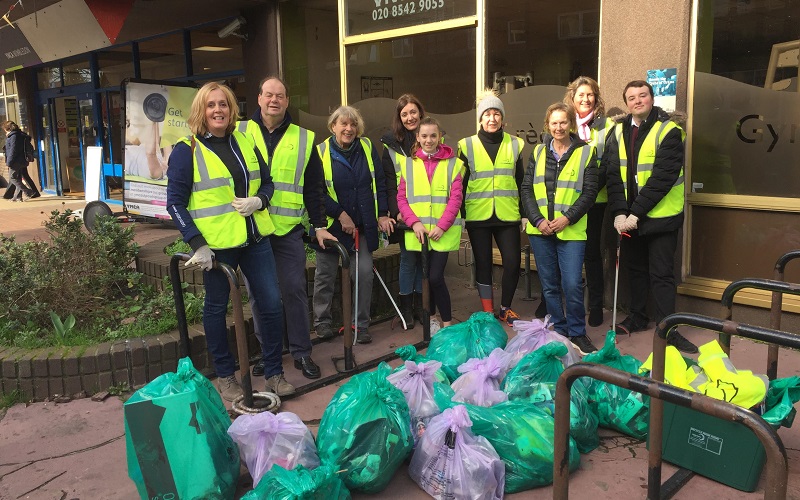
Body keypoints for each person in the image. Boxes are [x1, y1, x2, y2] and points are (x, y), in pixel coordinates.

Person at [166, 81, 291, 400]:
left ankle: (274, 373)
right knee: (217, 309)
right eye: (211, 105)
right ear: (200, 110)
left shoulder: (244, 140)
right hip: (218, 248)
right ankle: (226, 376)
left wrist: (259, 202)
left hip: (254, 240)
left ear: (231, 108)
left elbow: (268, 183)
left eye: (223, 104)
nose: (218, 110)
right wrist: (197, 244)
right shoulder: (186, 150)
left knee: (272, 305)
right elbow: (175, 203)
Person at [236, 76, 335, 381]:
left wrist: (319, 225)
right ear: (259, 98)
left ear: (287, 101)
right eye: (269, 95)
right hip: (252, 231)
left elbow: (314, 189)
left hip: (287, 231)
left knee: (293, 292)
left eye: (280, 96)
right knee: (260, 296)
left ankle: (302, 353)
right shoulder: (238, 132)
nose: (274, 100)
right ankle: (270, 353)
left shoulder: (305, 138)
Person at [604, 80, 698, 354]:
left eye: (642, 95)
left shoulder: (668, 131)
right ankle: (637, 317)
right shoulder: (618, 131)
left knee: (662, 275)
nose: (637, 100)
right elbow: (613, 174)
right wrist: (620, 211)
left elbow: (662, 178)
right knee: (635, 270)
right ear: (626, 103)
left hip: (660, 218)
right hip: (631, 217)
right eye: (631, 97)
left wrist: (635, 212)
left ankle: (668, 329)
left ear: (652, 98)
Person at [521, 102, 599, 355]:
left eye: (563, 122)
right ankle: (560, 330)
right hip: (541, 231)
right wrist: (537, 220)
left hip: (571, 231)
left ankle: (578, 332)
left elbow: (589, 193)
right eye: (553, 123)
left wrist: (567, 218)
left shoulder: (586, 153)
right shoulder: (538, 152)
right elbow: (526, 190)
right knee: (550, 285)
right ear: (548, 125)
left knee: (573, 283)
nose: (558, 127)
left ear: (571, 124)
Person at [313, 105, 393, 344]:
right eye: (344, 124)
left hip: (362, 226)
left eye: (353, 124)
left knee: (364, 274)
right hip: (330, 227)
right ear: (333, 126)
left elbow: (378, 182)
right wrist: (340, 214)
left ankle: (361, 324)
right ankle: (322, 322)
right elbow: (316, 192)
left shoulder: (366, 147)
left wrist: (382, 214)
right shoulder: (321, 152)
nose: (349, 128)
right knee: (325, 276)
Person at [458, 91, 525, 326]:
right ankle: (487, 311)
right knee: (483, 264)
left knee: (513, 262)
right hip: (478, 215)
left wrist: (525, 213)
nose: (492, 118)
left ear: (503, 118)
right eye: (487, 114)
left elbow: (521, 180)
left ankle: (505, 308)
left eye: (497, 113)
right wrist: (462, 215)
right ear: (480, 118)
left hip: (508, 214)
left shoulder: (515, 144)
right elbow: (461, 184)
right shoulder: (466, 145)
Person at [397, 116, 463, 328]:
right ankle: (432, 318)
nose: (428, 140)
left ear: (440, 136)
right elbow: (402, 199)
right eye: (424, 136)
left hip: (442, 232)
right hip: (420, 232)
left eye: (433, 135)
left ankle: (447, 323)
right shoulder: (408, 164)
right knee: (425, 277)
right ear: (417, 137)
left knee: (435, 277)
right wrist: (414, 223)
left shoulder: (453, 164)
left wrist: (442, 225)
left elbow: (456, 199)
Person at [564, 76, 616, 327]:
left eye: (590, 95)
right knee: (563, 250)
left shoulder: (606, 127)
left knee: (592, 253)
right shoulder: (564, 125)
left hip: (596, 200)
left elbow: (609, 163)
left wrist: (591, 189)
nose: (585, 99)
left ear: (596, 98)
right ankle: (555, 301)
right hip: (567, 200)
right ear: (572, 98)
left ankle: (595, 305)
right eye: (580, 95)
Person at [381, 94, 426, 329]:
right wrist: (396, 211)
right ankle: (406, 309)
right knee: (409, 259)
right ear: (399, 118)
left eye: (413, 112)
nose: (410, 117)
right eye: (404, 114)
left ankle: (421, 305)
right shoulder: (390, 146)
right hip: (403, 212)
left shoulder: (430, 138)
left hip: (428, 211)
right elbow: (388, 183)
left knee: (422, 260)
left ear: (420, 112)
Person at [3, 121, 40, 202]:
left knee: (13, 178)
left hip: (16, 161)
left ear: (7, 129)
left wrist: (9, 162)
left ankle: (29, 192)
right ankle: (17, 197)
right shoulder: (20, 135)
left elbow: (13, 150)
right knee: (18, 178)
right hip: (22, 160)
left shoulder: (13, 136)